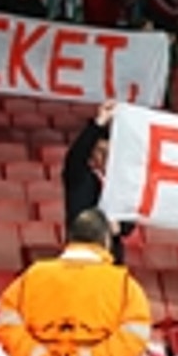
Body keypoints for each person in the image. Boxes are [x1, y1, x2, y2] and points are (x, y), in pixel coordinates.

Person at [0, 208, 151, 356]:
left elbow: (7, 325)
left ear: (68, 240)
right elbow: (133, 339)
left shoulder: (31, 278)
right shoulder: (124, 285)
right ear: (105, 241)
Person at [62, 101, 134, 265]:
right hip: (81, 256)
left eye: (108, 152)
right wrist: (99, 123)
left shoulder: (121, 183)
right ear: (92, 153)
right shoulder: (80, 176)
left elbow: (130, 221)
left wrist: (120, 228)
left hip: (112, 258)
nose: (104, 157)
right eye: (100, 151)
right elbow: (76, 155)